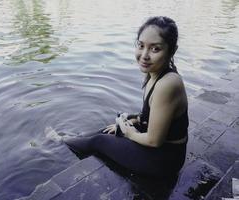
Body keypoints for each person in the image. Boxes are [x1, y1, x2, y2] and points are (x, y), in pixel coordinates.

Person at [64, 16, 188, 178]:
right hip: (160, 150)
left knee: (99, 141)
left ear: (172, 50)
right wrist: (131, 121)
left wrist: (128, 132)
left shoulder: (168, 83)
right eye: (141, 45)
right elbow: (152, 116)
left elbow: (154, 141)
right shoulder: (155, 74)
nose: (144, 55)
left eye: (155, 49)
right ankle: (73, 140)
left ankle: (60, 142)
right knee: (108, 130)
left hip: (163, 160)